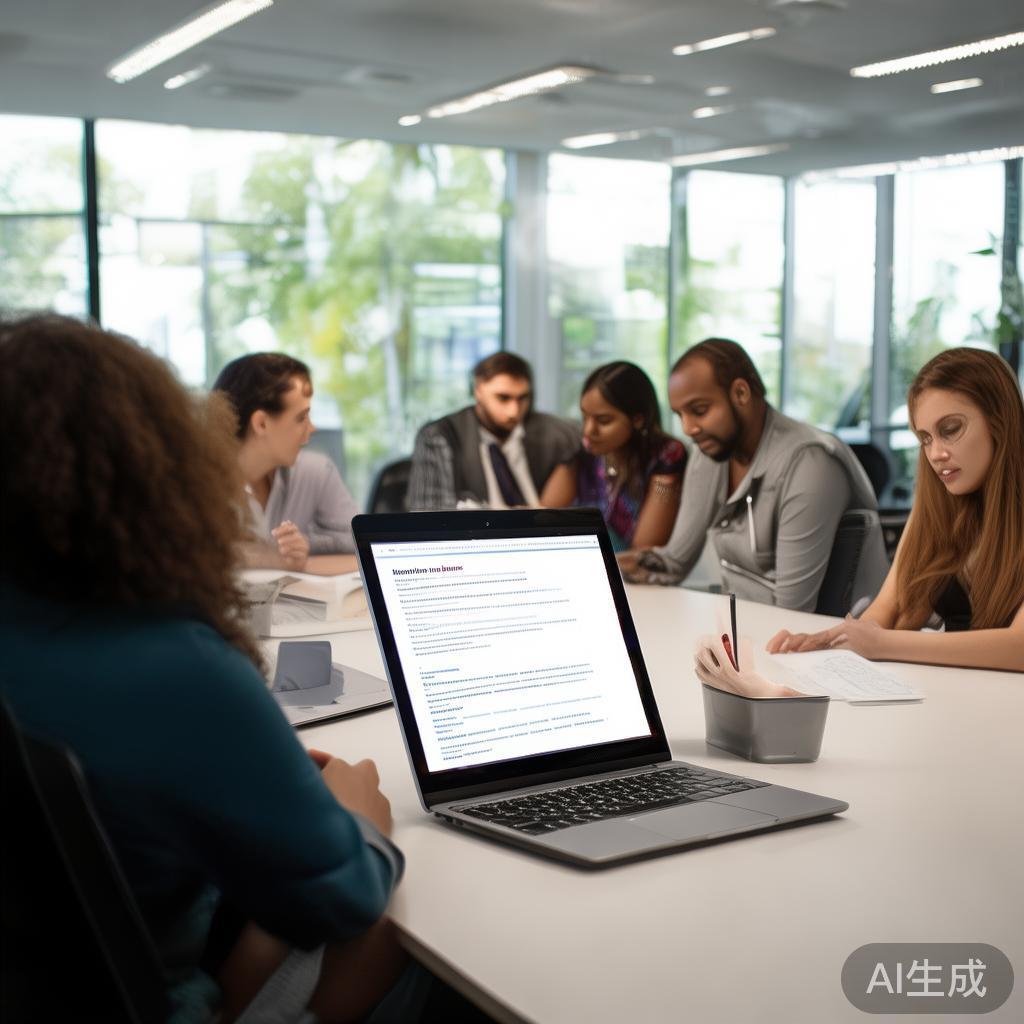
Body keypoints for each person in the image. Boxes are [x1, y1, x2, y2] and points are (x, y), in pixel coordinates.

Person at [0, 315, 430, 1023]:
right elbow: (345, 896)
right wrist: (359, 818)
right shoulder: (174, 665)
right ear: (156, 463)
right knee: (402, 935)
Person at [767, 346, 1024, 671]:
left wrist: (883, 644)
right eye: (926, 438)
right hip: (955, 695)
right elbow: (888, 609)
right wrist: (832, 640)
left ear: (1000, 419)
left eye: (950, 429)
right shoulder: (937, 505)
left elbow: (1020, 646)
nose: (936, 454)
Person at [619, 338, 888, 612]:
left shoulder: (811, 463)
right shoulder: (710, 454)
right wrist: (605, 565)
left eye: (699, 410)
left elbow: (793, 611)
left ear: (741, 393)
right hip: (752, 628)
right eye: (680, 415)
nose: (688, 428)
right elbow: (672, 564)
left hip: (836, 644)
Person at [213, 352, 358, 575]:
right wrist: (273, 559)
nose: (312, 428)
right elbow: (191, 554)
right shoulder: (200, 485)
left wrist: (302, 549)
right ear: (261, 423)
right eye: (301, 418)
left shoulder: (316, 472)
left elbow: (365, 551)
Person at [407, 351, 579, 510]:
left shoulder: (557, 434)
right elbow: (428, 514)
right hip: (475, 540)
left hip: (540, 537)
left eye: (522, 398)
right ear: (478, 390)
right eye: (503, 398)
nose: (514, 411)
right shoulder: (440, 436)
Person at [541, 361, 685, 550]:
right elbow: (541, 519)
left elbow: (645, 547)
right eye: (584, 417)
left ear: (638, 420)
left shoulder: (667, 457)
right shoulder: (584, 452)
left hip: (637, 575)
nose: (589, 430)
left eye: (603, 420)